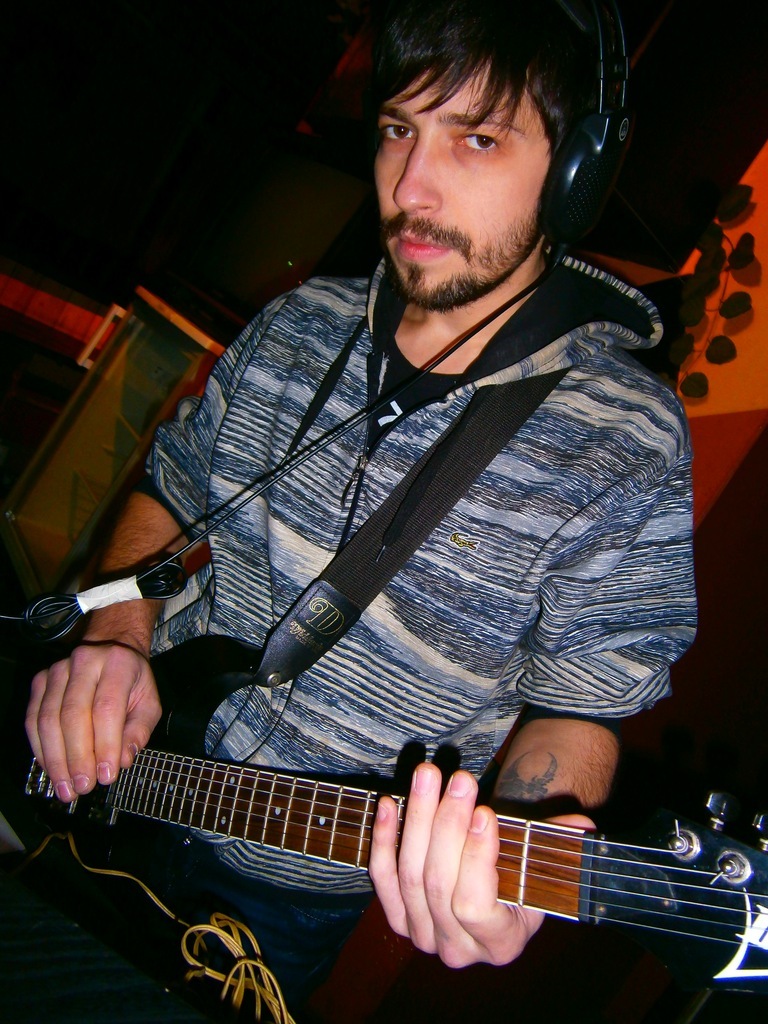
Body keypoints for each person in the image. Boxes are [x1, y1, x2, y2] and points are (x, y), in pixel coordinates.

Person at [25, 0, 697, 1014]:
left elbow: (581, 705)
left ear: (574, 174)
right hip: (113, 769)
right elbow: (172, 484)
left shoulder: (628, 441)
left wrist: (520, 855)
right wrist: (116, 632)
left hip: (282, 898)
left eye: (476, 138)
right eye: (397, 129)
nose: (409, 188)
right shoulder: (299, 320)